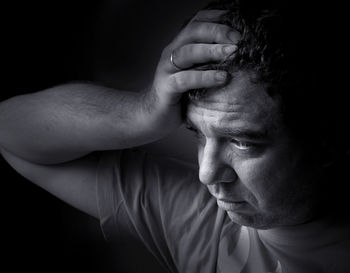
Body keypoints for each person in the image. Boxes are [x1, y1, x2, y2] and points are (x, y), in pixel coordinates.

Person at [1, 0, 349, 272]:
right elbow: (8, 130)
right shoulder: (201, 221)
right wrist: (143, 110)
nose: (207, 174)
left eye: (243, 142)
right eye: (198, 134)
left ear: (329, 141)